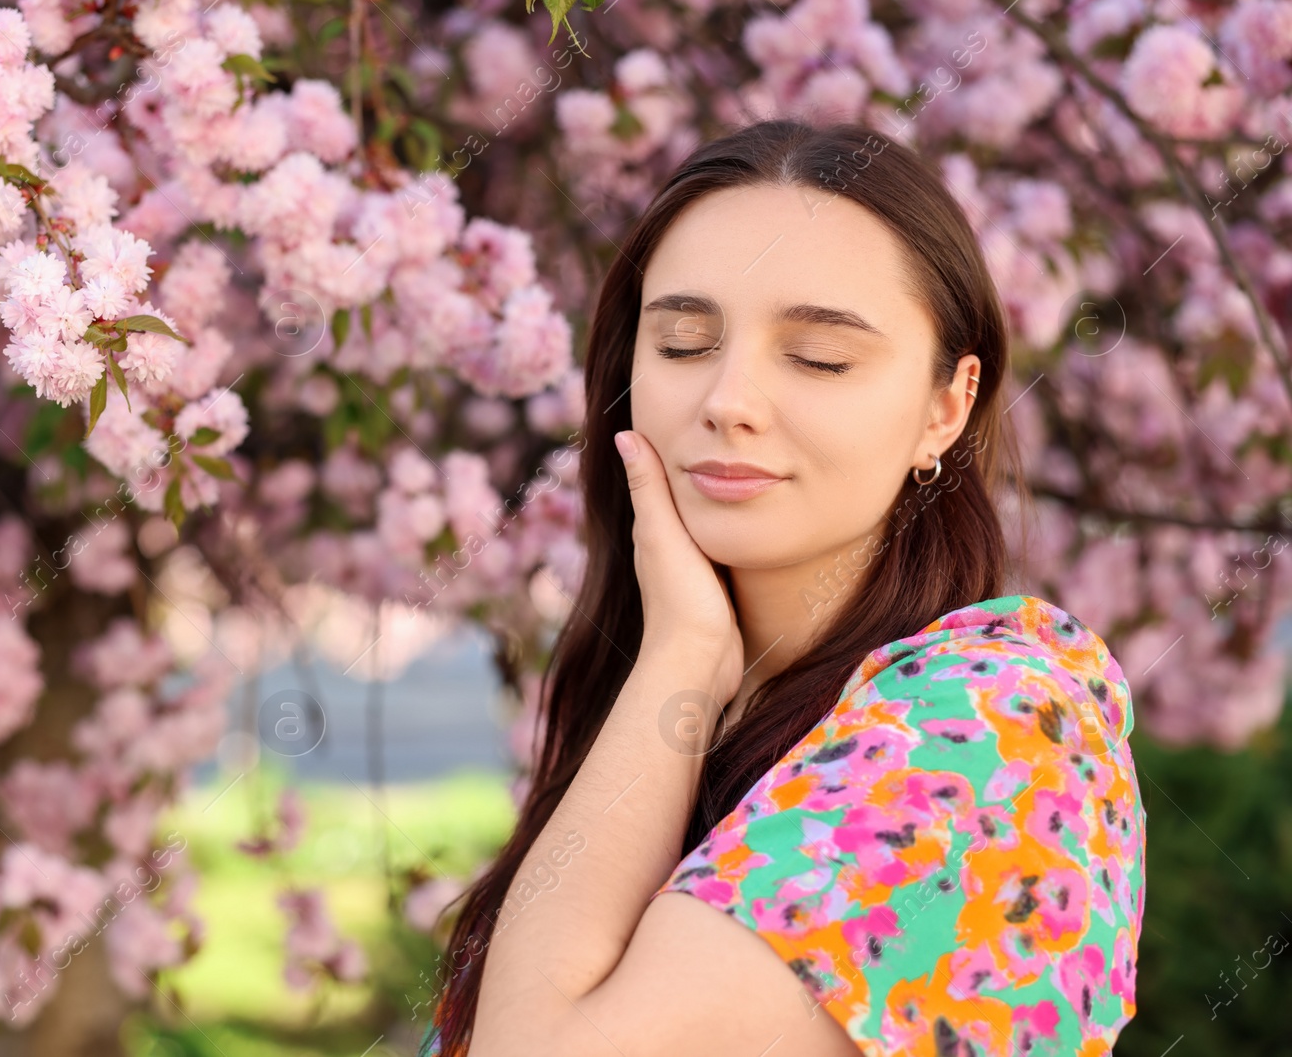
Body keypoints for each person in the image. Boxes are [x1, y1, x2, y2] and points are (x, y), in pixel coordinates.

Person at [414, 117, 1146, 1057]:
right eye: (681, 343)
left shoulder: (997, 725)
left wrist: (686, 654)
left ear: (947, 406)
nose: (727, 400)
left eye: (818, 357)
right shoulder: (675, 714)